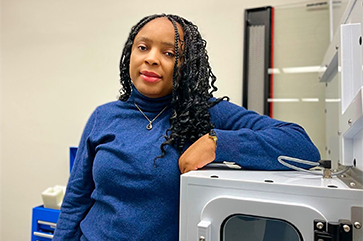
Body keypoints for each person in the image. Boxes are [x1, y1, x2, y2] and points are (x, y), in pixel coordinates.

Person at [53, 14, 320, 240]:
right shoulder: (104, 116)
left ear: (187, 66)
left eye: (169, 53)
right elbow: (77, 197)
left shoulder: (206, 112)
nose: (151, 59)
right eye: (142, 47)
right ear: (130, 54)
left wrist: (217, 143)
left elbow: (301, 145)